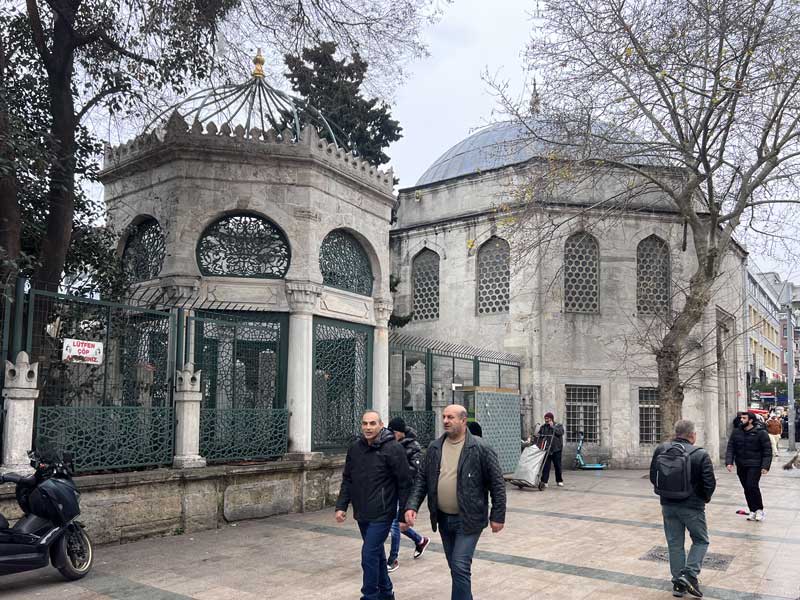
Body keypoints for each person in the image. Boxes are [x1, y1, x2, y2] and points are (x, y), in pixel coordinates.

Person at [403, 404, 506, 600]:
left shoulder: (481, 448)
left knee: (459, 565)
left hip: (469, 519)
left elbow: (497, 484)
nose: (445, 421)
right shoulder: (434, 447)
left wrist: (498, 516)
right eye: (444, 417)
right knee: (456, 567)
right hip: (443, 518)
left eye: (450, 417)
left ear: (463, 420)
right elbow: (422, 480)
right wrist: (411, 506)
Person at [335, 411, 411, 600]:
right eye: (364, 423)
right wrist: (341, 506)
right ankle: (386, 593)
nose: (368, 427)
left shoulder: (393, 449)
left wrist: (403, 515)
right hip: (361, 512)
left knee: (368, 554)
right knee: (376, 554)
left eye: (372, 423)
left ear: (381, 425)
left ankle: (369, 595)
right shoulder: (355, 448)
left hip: (383, 512)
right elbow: (348, 479)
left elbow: (404, 483)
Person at [650, 419, 716, 598]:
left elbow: (652, 476)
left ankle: (678, 584)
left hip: (668, 504)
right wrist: (704, 498)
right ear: (692, 435)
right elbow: (709, 483)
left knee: (674, 544)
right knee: (701, 540)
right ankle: (689, 574)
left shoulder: (661, 449)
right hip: (692, 506)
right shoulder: (700, 454)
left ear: (676, 433)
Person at [385, 416, 430, 572]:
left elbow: (415, 471)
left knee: (395, 524)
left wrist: (398, 470)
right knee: (398, 525)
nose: (390, 434)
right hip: (391, 489)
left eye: (393, 431)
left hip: (406, 490)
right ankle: (420, 540)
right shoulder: (389, 444)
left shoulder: (414, 446)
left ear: (400, 432)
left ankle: (393, 559)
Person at [725, 411, 772, 522]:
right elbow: (731, 447)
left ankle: (759, 510)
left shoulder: (761, 433)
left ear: (750, 420)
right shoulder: (736, 432)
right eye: (741, 418)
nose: (741, 420)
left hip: (755, 464)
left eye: (744, 418)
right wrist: (729, 462)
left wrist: (765, 466)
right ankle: (752, 510)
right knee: (746, 488)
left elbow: (767, 450)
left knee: (752, 485)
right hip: (741, 464)